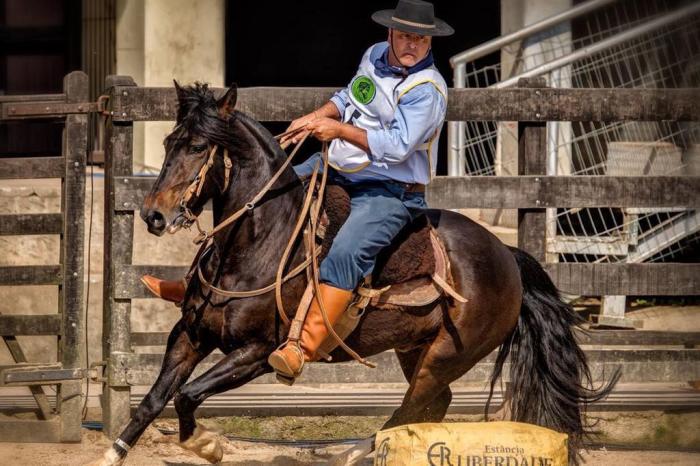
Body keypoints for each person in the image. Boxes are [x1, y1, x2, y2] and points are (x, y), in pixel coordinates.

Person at [142, 0, 454, 383]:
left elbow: (399, 145)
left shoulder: (428, 89)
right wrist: (318, 116)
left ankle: (300, 346)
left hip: (391, 189)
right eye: (404, 35)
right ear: (390, 33)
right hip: (339, 166)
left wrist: (337, 131)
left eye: (419, 39)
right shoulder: (375, 55)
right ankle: (197, 287)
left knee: (347, 252)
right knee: (262, 194)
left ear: (429, 42)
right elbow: (350, 98)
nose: (410, 45)